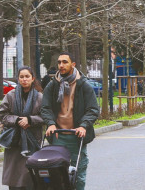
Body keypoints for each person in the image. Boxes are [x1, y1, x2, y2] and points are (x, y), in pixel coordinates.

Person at [41, 52, 100, 190]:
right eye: (59, 62)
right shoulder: (53, 85)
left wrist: (83, 126)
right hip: (58, 135)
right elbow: (45, 107)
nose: (61, 65)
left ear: (73, 64)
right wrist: (50, 123)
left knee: (77, 174)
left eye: (65, 62)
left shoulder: (83, 85)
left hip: (76, 136)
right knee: (57, 174)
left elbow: (92, 109)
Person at [0, 66, 43, 190]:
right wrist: (17, 120)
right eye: (21, 77)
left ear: (33, 78)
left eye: (27, 76)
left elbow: (45, 116)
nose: (24, 79)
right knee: (14, 179)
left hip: (32, 141)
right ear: (18, 79)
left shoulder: (39, 97)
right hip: (14, 141)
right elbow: (2, 114)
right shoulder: (10, 95)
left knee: (30, 178)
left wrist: (30, 120)